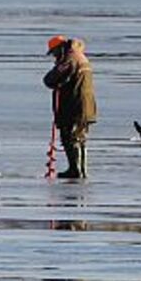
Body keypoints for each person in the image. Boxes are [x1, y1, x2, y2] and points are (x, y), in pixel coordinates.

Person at [43, 35, 97, 179]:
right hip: (85, 105)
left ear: (60, 49)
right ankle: (81, 170)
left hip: (74, 105)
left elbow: (50, 79)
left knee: (70, 137)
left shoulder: (70, 59)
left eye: (54, 53)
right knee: (80, 138)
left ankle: (75, 170)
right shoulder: (80, 57)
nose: (54, 57)